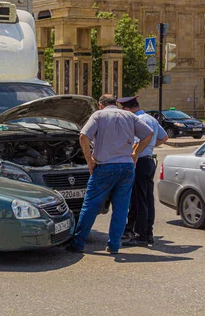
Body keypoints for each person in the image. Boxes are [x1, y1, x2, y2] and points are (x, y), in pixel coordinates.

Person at [66, 94, 153, 254]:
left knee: (90, 206)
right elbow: (148, 134)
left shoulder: (99, 115)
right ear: (115, 103)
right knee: (121, 209)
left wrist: (89, 160)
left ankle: (78, 243)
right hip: (127, 167)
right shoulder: (129, 116)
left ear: (100, 105)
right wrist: (135, 154)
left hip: (104, 167)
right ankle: (114, 246)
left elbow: (83, 136)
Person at [118, 96, 168, 247]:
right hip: (149, 160)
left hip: (139, 161)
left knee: (138, 201)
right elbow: (164, 137)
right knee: (147, 199)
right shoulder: (150, 118)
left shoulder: (137, 121)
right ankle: (148, 233)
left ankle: (141, 236)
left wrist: (137, 153)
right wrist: (149, 148)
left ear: (127, 109)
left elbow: (136, 143)